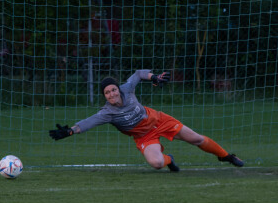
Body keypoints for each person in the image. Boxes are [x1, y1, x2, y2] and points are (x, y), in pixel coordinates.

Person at [49, 70, 244, 172]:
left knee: (196, 139)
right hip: (144, 136)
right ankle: (169, 160)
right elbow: (88, 122)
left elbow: (138, 74)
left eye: (113, 90)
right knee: (157, 163)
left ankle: (226, 156)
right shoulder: (107, 113)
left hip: (160, 121)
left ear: (118, 89)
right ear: (105, 96)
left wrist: (155, 77)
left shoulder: (127, 89)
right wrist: (70, 131)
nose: (111, 94)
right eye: (107, 93)